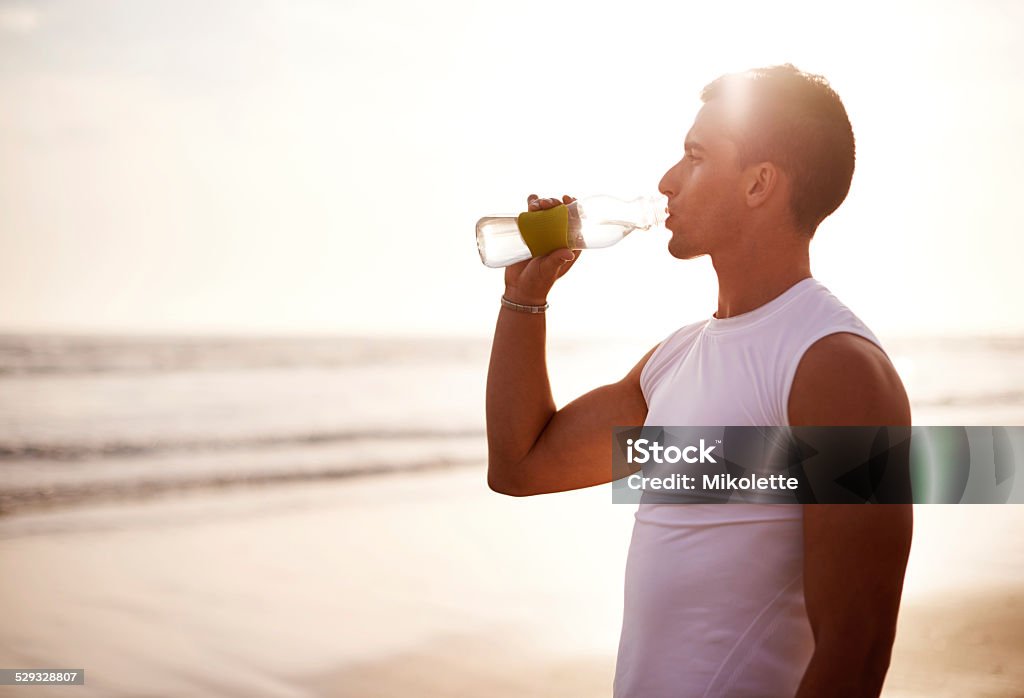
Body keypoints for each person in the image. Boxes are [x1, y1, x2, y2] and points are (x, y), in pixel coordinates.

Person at [485, 64, 913, 697]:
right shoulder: (673, 362)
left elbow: (857, 648)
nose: (666, 181)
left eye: (695, 157)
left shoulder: (836, 369)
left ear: (759, 184)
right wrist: (525, 299)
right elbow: (520, 465)